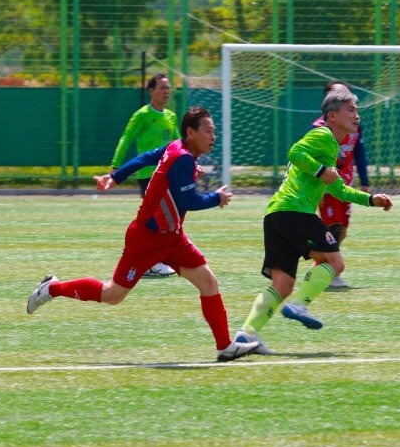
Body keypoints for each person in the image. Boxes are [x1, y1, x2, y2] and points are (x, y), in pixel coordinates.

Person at [27, 107, 259, 362]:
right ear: (191, 133)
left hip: (173, 238)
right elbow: (189, 200)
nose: (213, 136)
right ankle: (52, 288)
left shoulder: (178, 151)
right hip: (146, 239)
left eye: (214, 131)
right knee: (112, 294)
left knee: (208, 283)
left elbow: (146, 157)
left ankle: (224, 347)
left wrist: (115, 177)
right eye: (208, 131)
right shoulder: (182, 158)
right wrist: (217, 197)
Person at [232, 86, 394, 354]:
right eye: (351, 110)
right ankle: (299, 305)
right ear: (332, 115)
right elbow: (295, 152)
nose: (357, 116)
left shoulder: (332, 144)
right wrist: (321, 171)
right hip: (295, 211)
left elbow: (337, 188)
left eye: (357, 111)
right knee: (334, 262)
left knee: (281, 284)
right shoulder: (323, 135)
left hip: (277, 213)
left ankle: (245, 334)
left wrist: (370, 199)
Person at [110, 73, 179, 278]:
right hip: (149, 174)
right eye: (161, 88)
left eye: (168, 87)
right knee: (157, 218)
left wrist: (192, 164)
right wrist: (116, 165)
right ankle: (151, 262)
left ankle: (155, 259)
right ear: (151, 91)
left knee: (167, 218)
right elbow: (127, 138)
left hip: (168, 173)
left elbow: (178, 145)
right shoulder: (142, 115)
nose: (166, 91)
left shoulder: (171, 116)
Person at [310, 80, 371, 287]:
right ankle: (328, 271)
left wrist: (365, 182)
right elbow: (309, 160)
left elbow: (359, 154)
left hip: (346, 186)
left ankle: (321, 267)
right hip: (326, 187)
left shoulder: (354, 126)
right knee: (331, 229)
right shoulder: (319, 128)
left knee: (341, 230)